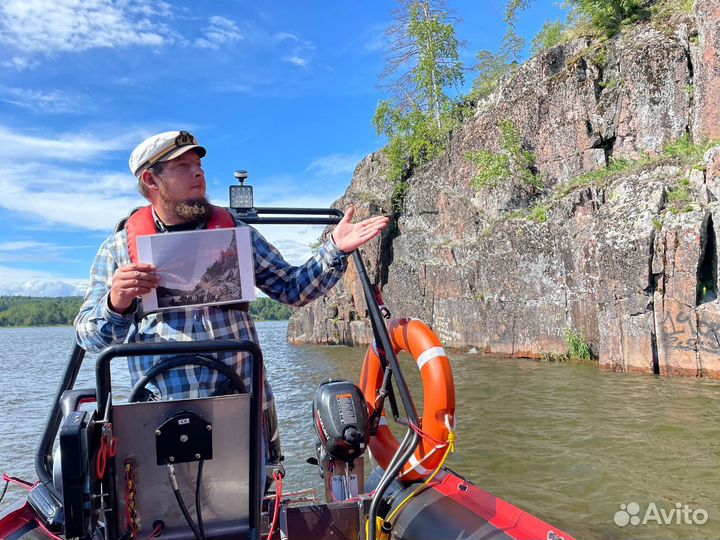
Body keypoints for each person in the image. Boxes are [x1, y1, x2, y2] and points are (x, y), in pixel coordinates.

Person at [74, 129, 389, 463]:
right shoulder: (119, 250)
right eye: (182, 166)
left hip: (245, 405)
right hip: (163, 420)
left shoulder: (237, 234)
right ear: (151, 179)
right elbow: (87, 337)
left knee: (259, 504)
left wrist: (334, 249)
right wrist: (116, 302)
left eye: (198, 164)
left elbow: (292, 288)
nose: (198, 172)